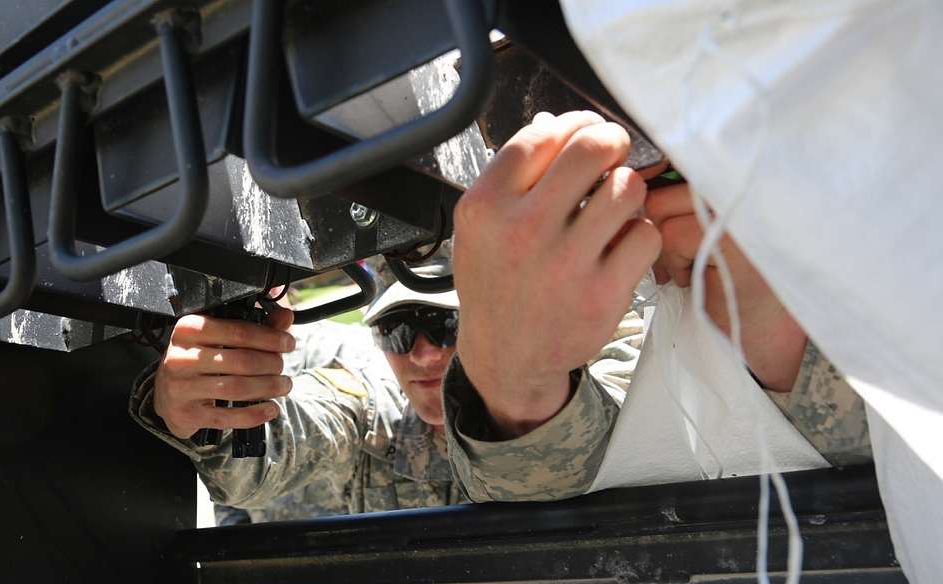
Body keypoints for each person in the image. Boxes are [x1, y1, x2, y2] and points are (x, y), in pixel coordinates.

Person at [441, 110, 871, 502]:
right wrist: (516, 390)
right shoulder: (614, 313)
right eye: (600, 192)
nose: (645, 204)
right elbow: (560, 499)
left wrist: (794, 352)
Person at [128, 265, 469, 519]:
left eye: (447, 326)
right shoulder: (372, 408)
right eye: (398, 331)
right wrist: (207, 414)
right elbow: (274, 454)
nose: (423, 355)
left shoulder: (522, 423)